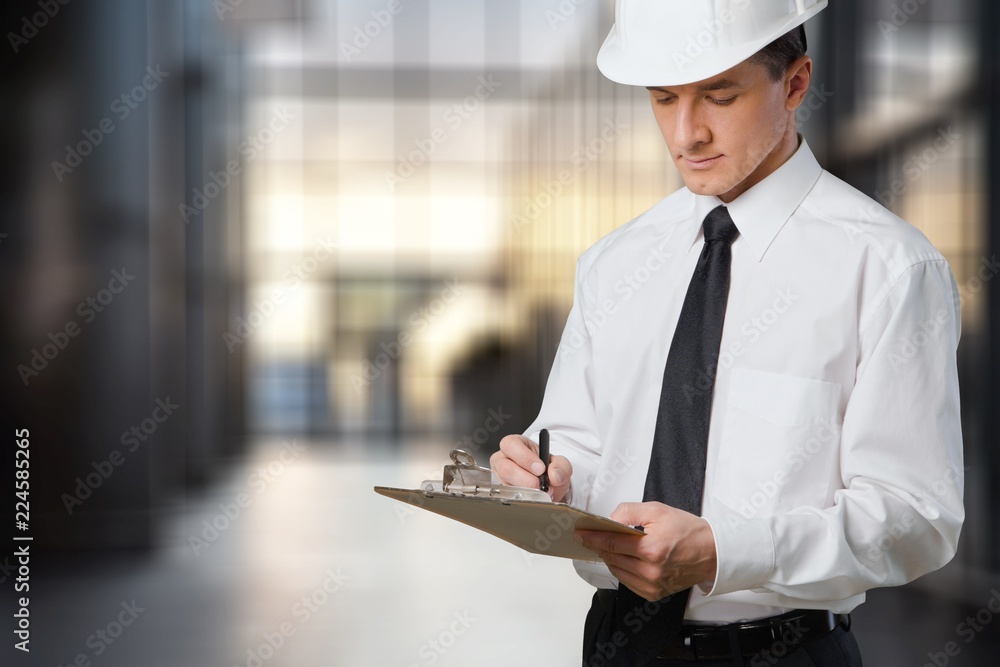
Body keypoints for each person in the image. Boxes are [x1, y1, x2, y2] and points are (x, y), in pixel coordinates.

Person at [490, 1, 964, 665]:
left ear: (795, 82)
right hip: (617, 644)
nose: (686, 133)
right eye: (663, 99)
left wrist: (723, 550)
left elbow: (916, 517)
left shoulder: (886, 267)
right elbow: (578, 442)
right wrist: (550, 476)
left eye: (719, 96)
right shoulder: (615, 263)